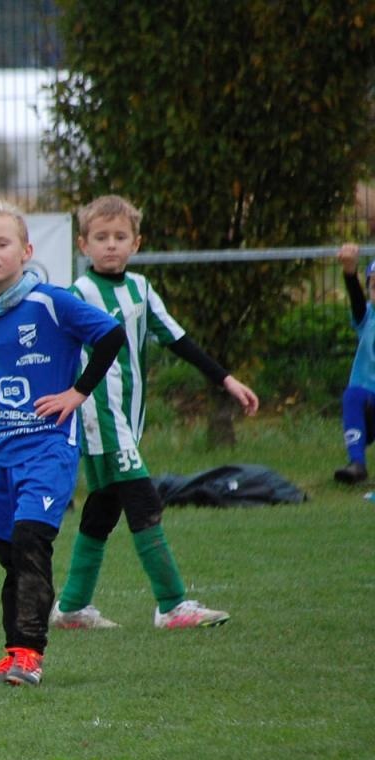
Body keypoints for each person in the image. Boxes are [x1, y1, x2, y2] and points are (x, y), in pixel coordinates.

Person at [53, 195, 260, 631]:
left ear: (137, 242)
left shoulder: (141, 289)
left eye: (120, 236)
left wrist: (226, 380)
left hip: (128, 419)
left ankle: (71, 608)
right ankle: (172, 605)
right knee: (143, 500)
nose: (111, 245)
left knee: (103, 508)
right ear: (83, 244)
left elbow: (179, 340)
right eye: (100, 237)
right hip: (100, 415)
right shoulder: (79, 293)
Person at [0, 202, 127, 686]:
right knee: (8, 555)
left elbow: (110, 335)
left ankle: (30, 653)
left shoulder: (52, 302)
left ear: (26, 251)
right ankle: (13, 651)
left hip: (49, 448)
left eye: (1, 244)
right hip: (2, 453)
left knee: (32, 541)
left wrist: (77, 392)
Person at [333, 242, 375, 484]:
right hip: (369, 400)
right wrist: (350, 272)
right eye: (374, 285)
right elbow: (357, 301)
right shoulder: (367, 317)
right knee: (352, 395)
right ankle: (357, 465)